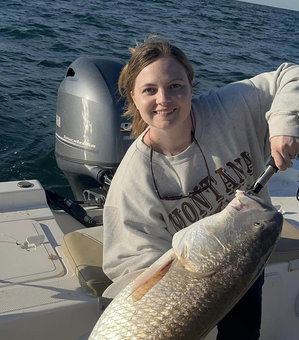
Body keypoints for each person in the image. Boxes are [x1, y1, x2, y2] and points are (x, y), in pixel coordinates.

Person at [102, 36, 299, 339]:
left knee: (244, 331)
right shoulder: (133, 181)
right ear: (133, 97)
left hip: (243, 262)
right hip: (179, 293)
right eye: (149, 90)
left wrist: (285, 124)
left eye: (175, 85)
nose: (164, 98)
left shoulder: (231, 107)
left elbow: (291, 74)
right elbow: (133, 270)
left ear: (191, 86)